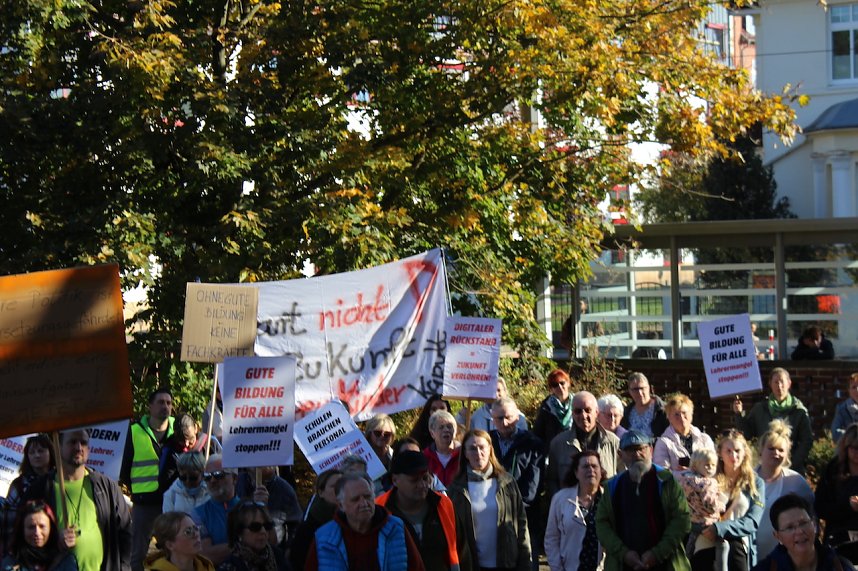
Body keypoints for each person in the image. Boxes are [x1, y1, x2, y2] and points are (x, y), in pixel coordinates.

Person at [30, 429, 132, 571]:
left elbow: (125, 532)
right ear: (58, 447)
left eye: (83, 442)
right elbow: (24, 540)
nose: (79, 447)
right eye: (72, 442)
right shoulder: (39, 489)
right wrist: (53, 541)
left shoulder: (106, 487)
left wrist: (124, 567)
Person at [594, 430, 691, 571]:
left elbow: (682, 520)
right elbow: (602, 524)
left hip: (665, 564)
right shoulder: (613, 486)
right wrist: (624, 553)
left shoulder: (666, 481)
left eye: (641, 449)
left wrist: (657, 553)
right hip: (624, 565)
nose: (637, 454)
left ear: (650, 450)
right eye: (630, 450)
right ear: (620, 455)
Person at [304, 472, 425, 571]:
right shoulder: (324, 538)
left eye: (367, 497)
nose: (364, 503)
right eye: (355, 499)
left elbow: (417, 567)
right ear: (341, 505)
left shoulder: (395, 528)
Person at [447, 430, 531, 571]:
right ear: (465, 453)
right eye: (472, 449)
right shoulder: (456, 489)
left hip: (507, 563)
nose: (478, 453)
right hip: (472, 564)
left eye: (482, 447)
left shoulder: (506, 482)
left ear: (490, 449)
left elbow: (521, 524)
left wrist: (526, 563)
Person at [376, 450, 472, 571]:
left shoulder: (443, 504)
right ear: (395, 480)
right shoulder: (379, 509)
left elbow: (463, 553)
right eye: (414, 480)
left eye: (425, 478)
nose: (422, 484)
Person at [121, 388, 176, 571]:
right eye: (161, 402)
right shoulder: (134, 431)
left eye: (168, 403)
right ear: (150, 407)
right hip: (144, 504)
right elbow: (124, 467)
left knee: (174, 549)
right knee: (138, 553)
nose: (165, 407)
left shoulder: (179, 429)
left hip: (173, 501)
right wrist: (137, 490)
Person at [696, 429, 765, 571]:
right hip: (706, 541)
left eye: (738, 450)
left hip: (738, 544)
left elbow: (753, 521)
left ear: (745, 452)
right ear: (720, 453)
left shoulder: (755, 482)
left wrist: (720, 528)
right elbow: (692, 511)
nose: (734, 456)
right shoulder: (708, 477)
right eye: (728, 451)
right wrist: (706, 528)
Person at [489, 397, 545, 570]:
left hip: (524, 515)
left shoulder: (533, 443)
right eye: (500, 418)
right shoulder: (486, 442)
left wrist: (514, 506)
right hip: (492, 513)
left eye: (509, 417)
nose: (505, 422)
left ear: (517, 417)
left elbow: (533, 484)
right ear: (493, 419)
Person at [732, 368, 813, 474]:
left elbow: (806, 441)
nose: (779, 386)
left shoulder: (799, 411)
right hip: (765, 468)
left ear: (789, 383)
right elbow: (747, 434)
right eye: (776, 382)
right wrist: (739, 414)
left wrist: (791, 463)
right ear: (770, 384)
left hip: (791, 469)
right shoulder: (760, 408)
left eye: (782, 382)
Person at [754, 420, 813, 560]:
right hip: (751, 554)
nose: (776, 453)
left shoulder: (796, 482)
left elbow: (811, 518)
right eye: (771, 448)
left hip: (785, 558)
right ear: (761, 450)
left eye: (781, 450)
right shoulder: (746, 479)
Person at [194, 455, 268, 565]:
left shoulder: (250, 509)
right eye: (207, 477)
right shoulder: (198, 513)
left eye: (219, 475)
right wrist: (246, 544)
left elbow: (269, 543)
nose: (213, 480)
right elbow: (206, 555)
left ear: (235, 478)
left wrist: (262, 508)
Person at [752, 493, 855, 570]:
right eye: (790, 527)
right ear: (778, 536)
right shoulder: (765, 569)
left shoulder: (840, 566)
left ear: (814, 525)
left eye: (803, 523)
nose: (799, 531)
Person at [546, 391, 620, 498]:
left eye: (588, 410)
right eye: (578, 411)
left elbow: (623, 478)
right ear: (572, 414)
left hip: (605, 507)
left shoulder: (613, 442)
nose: (583, 415)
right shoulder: (558, 443)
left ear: (597, 412)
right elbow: (552, 480)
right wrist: (559, 503)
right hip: (569, 508)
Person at [544, 450, 606, 571]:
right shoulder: (560, 499)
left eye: (594, 466)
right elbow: (551, 538)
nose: (591, 470)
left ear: (601, 472)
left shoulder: (609, 499)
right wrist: (557, 568)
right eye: (585, 466)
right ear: (576, 473)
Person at [3, 434, 55, 556]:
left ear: (51, 452)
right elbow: (10, 523)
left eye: (41, 451)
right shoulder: (19, 485)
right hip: (25, 551)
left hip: (55, 548)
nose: (36, 455)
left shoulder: (60, 481)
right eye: (32, 452)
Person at [676, 449, 727, 570]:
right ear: (695, 465)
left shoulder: (685, 479)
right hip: (706, 522)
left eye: (713, 465)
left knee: (690, 545)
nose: (710, 468)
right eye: (706, 465)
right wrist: (721, 505)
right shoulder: (707, 483)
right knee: (723, 544)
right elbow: (709, 505)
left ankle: (685, 563)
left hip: (691, 521)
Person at [0, 500, 77, 571]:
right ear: (22, 530)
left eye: (42, 526)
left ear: (51, 528)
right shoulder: (11, 563)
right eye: (31, 527)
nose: (37, 532)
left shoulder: (64, 561)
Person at [815, 423, 858, 549]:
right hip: (838, 539)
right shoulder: (833, 470)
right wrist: (847, 505)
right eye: (854, 448)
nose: (857, 453)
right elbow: (820, 507)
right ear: (846, 448)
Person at [289, 470, 341, 571]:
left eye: (343, 485)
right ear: (321, 492)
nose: (340, 490)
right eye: (334, 486)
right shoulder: (308, 528)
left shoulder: (354, 520)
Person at [653, 393, 715, 474]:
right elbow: (662, 474)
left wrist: (691, 472)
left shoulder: (705, 439)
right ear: (669, 418)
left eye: (684, 412)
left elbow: (714, 468)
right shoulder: (663, 443)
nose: (681, 417)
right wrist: (686, 474)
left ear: (691, 414)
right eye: (676, 414)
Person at [159, 413, 220, 493]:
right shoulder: (169, 450)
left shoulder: (210, 443)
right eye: (181, 440)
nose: (186, 444)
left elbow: (224, 471)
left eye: (190, 439)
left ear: (196, 428)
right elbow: (165, 483)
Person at [218, 502, 289, 571]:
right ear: (239, 532)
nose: (263, 531)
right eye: (255, 527)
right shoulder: (230, 567)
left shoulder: (277, 555)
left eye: (267, 526)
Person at [144, 511, 215, 571]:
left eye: (196, 528)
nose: (196, 535)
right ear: (170, 545)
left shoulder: (207, 567)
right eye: (188, 532)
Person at [456, 378, 528, 433]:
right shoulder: (477, 416)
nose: (495, 394)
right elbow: (462, 434)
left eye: (498, 390)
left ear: (505, 391)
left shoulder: (517, 417)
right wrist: (461, 418)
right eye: (491, 391)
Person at [533, 369, 574, 453]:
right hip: (554, 453)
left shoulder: (578, 404)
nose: (559, 387)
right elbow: (538, 434)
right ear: (551, 389)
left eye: (562, 383)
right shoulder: (546, 408)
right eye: (555, 385)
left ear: (568, 383)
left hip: (575, 450)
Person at [620, 372, 668, 438]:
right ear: (630, 391)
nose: (640, 393)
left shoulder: (663, 410)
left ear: (648, 388)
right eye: (635, 389)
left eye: (642, 388)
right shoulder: (626, 413)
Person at [423, 410, 461, 487]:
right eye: (441, 427)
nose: (446, 430)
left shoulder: (463, 454)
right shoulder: (424, 457)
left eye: (449, 427)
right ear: (432, 433)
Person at [832, 373, 858, 443]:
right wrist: (853, 435)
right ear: (849, 390)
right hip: (850, 449)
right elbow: (835, 433)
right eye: (853, 387)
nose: (857, 390)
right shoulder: (842, 408)